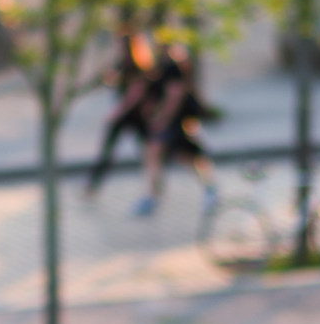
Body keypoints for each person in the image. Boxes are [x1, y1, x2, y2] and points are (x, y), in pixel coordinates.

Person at [134, 44, 220, 218]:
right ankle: (152, 195)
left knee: (186, 156)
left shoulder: (172, 65)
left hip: (176, 121)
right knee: (156, 154)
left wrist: (162, 119)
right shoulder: (163, 64)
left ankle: (209, 188)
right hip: (175, 121)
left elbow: (175, 94)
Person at [85, 33, 158, 196]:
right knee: (141, 151)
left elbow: (136, 91)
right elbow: (112, 80)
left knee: (148, 152)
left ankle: (153, 186)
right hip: (132, 115)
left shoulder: (138, 66)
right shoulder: (124, 64)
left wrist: (118, 112)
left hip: (135, 115)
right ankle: (93, 185)